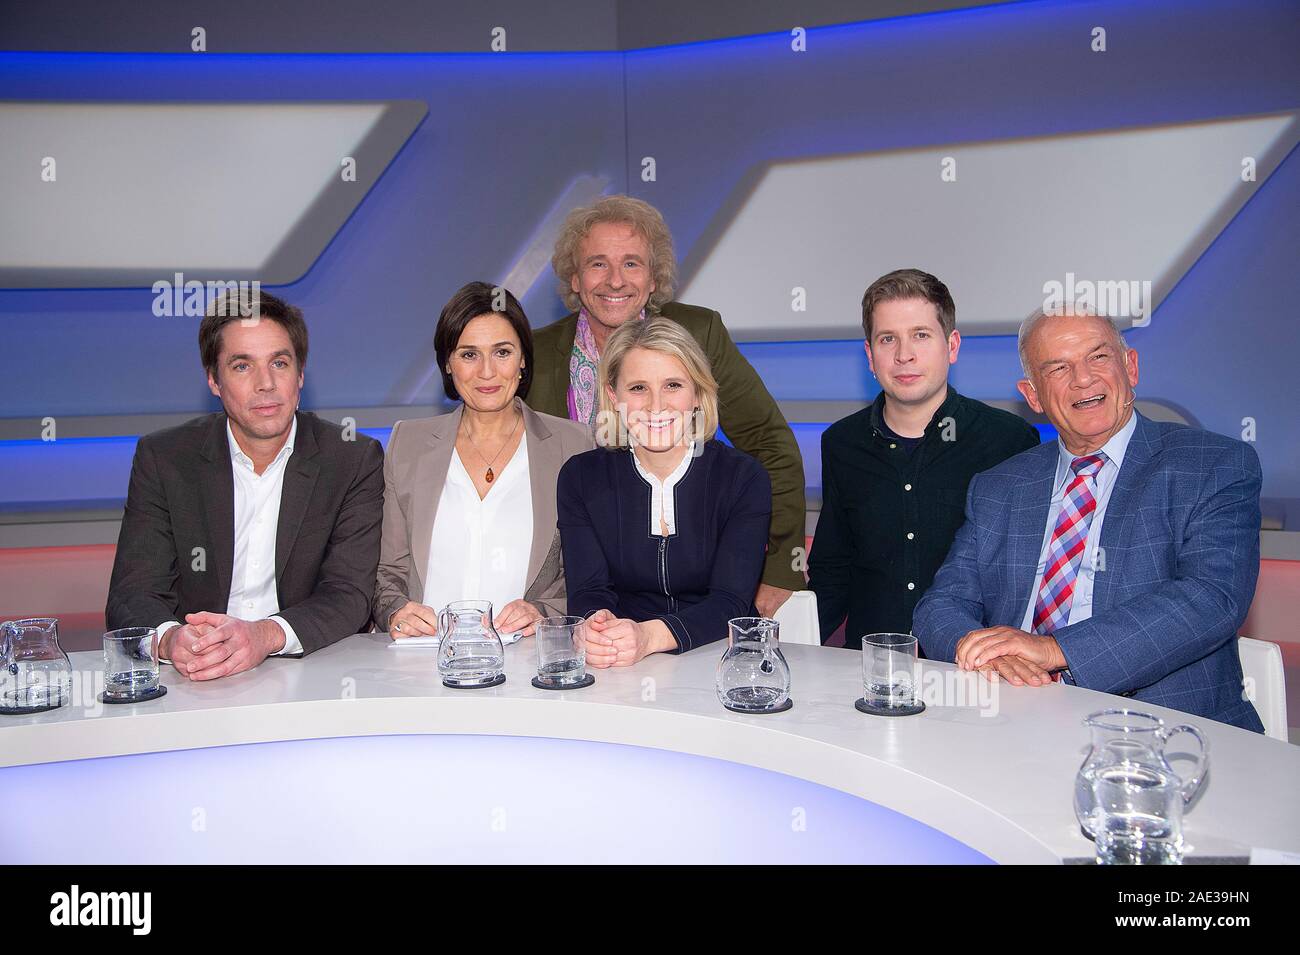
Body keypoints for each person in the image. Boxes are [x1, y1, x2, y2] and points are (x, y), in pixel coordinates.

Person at [913, 309, 1264, 732]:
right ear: (1033, 395)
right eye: (1058, 368)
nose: (1083, 379)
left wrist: (1055, 650)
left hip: (1168, 736)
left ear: (1130, 367)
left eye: (1098, 358)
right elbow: (941, 604)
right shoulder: (998, 486)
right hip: (1010, 721)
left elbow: (1211, 599)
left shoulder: (1212, 465)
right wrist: (983, 651)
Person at [527, 195, 804, 617]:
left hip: (689, 584)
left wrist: (780, 569)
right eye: (598, 263)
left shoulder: (698, 331)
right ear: (575, 279)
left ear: (654, 278)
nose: (615, 281)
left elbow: (768, 442)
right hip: (567, 580)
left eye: (632, 263)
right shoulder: (535, 351)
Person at [106, 291, 384, 680]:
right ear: (213, 380)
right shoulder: (166, 458)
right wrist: (171, 641)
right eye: (241, 366)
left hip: (308, 673)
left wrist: (264, 636)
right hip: (193, 676)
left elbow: (349, 594)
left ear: (300, 374)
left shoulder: (352, 458)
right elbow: (133, 593)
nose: (265, 383)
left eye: (280, 363)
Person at [808, 269, 1038, 649]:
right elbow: (832, 571)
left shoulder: (1009, 441)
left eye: (920, 335)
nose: (904, 355)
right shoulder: (842, 443)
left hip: (976, 673)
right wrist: (794, 654)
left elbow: (1023, 573)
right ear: (869, 354)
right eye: (887, 339)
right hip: (870, 670)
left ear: (952, 346)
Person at [374, 282, 592, 640]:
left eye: (502, 352)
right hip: (423, 668)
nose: (487, 372)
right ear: (448, 363)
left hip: (528, 665)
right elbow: (388, 572)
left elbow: (590, 578)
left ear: (523, 359)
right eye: (469, 354)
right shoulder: (406, 444)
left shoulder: (575, 444)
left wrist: (543, 612)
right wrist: (396, 610)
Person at [557, 316, 771, 666]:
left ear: (698, 394)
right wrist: (597, 626)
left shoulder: (743, 478)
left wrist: (647, 636)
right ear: (613, 395)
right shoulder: (580, 478)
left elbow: (730, 604)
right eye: (638, 388)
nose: (656, 406)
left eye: (673, 385)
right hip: (621, 664)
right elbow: (588, 591)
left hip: (726, 664)